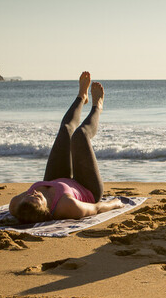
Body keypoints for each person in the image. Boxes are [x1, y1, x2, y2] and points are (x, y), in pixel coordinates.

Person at [9, 72, 124, 222]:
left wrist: (29, 200)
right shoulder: (67, 207)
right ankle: (97, 107)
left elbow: (24, 204)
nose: (33, 194)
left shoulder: (16, 204)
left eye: (28, 197)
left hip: (56, 180)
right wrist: (115, 203)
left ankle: (81, 97)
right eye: (37, 199)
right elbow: (96, 208)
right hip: (87, 186)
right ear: (46, 209)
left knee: (65, 130)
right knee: (80, 136)